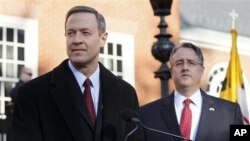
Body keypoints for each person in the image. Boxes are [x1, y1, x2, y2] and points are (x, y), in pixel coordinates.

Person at [10, 5, 143, 141]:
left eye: (85, 33)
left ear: (102, 39)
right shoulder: (32, 93)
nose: (76, 40)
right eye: (71, 33)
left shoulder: (126, 93)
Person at [139, 42, 243, 141]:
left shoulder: (231, 112)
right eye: (179, 63)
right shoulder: (146, 115)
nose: (185, 68)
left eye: (191, 63)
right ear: (171, 71)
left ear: (201, 70)